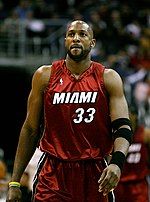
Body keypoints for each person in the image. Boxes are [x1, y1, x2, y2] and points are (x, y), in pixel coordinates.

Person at [6, 20, 133, 202]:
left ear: (92, 42)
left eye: (82, 34)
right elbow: (30, 129)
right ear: (65, 40)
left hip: (95, 171)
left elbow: (123, 127)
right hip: (53, 173)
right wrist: (14, 182)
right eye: (71, 34)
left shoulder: (109, 78)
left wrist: (117, 163)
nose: (76, 38)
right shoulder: (44, 76)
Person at [114, 106, 150, 202]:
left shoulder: (145, 134)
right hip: (119, 185)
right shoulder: (115, 135)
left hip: (138, 185)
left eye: (129, 115)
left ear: (135, 116)